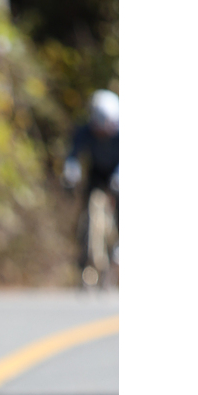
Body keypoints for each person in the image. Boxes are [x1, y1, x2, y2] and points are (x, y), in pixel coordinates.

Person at [63, 89, 119, 283]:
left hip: (116, 174)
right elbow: (73, 155)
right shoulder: (86, 131)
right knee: (87, 210)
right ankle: (84, 251)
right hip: (96, 173)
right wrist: (71, 174)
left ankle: (116, 249)